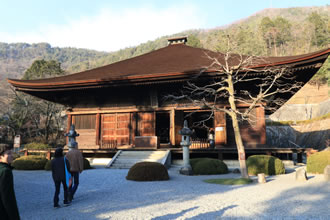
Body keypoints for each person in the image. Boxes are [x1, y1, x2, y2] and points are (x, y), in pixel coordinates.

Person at [0, 144, 20, 220]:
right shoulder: (5, 171)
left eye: (12, 153)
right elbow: (7, 198)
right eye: (8, 153)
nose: (12, 155)